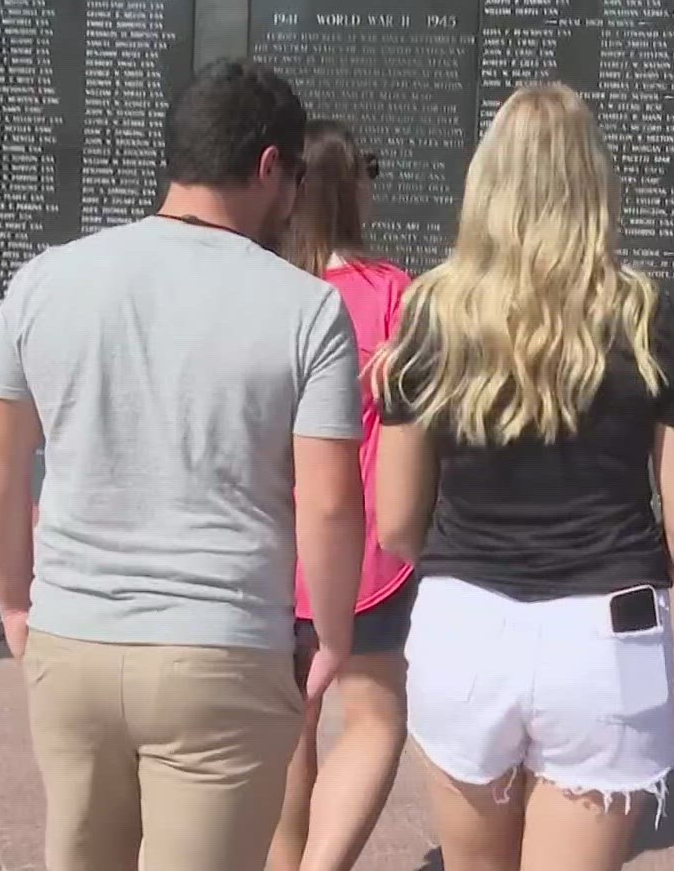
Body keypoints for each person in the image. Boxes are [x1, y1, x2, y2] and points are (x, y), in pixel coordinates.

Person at [0, 58, 366, 871]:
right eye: (292, 179)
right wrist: (331, 634)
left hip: (70, 638)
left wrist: (14, 601)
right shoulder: (307, 308)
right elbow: (327, 504)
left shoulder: (44, 281)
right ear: (268, 169)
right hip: (221, 651)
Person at [373, 83, 674, 871]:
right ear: (595, 184)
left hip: (464, 621)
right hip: (607, 629)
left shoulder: (431, 313)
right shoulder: (645, 314)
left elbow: (396, 524)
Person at [268, 120, 415, 871]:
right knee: (374, 715)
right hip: (365, 550)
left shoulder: (263, 291)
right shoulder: (395, 295)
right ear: (351, 184)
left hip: (268, 547)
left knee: (289, 725)